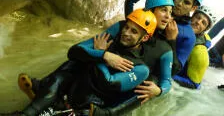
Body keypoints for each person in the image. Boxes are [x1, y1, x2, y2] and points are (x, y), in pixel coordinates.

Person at [9, 9, 157, 116]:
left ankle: (50, 102)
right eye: (126, 27)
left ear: (144, 38)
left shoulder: (141, 69)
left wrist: (100, 55)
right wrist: (103, 55)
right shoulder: (110, 40)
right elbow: (73, 51)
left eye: (134, 31)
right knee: (66, 72)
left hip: (92, 105)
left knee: (84, 82)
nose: (126, 33)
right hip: (75, 89)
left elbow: (108, 82)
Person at [91, 0, 175, 115]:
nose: (168, 16)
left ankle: (105, 114)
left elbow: (167, 80)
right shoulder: (125, 26)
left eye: (170, 12)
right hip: (109, 75)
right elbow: (96, 45)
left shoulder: (165, 49)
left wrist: (159, 91)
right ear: (150, 10)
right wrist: (101, 53)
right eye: (164, 10)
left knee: (149, 80)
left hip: (130, 83)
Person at [173, 6, 217, 89]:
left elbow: (194, 85)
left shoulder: (200, 52)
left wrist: (168, 77)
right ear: (192, 17)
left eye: (203, 23)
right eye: (198, 17)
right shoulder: (179, 25)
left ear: (205, 29)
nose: (198, 22)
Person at [166, 0, 204, 76]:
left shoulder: (189, 37)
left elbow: (175, 69)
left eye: (186, 2)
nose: (179, 3)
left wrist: (172, 40)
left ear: (193, 8)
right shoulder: (161, 12)